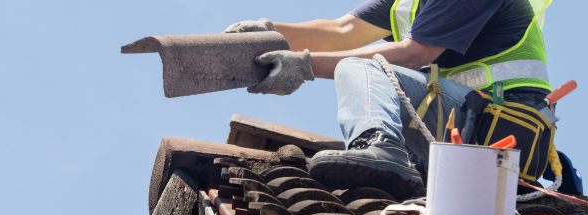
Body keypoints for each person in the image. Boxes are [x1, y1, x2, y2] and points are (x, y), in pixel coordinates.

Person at [224, 0, 552, 199]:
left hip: (499, 131)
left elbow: (412, 55)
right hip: (464, 123)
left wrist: (305, 65)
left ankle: (382, 147)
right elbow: (343, 30)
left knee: (363, 67)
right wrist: (267, 31)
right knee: (365, 69)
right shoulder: (404, 4)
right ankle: (393, 160)